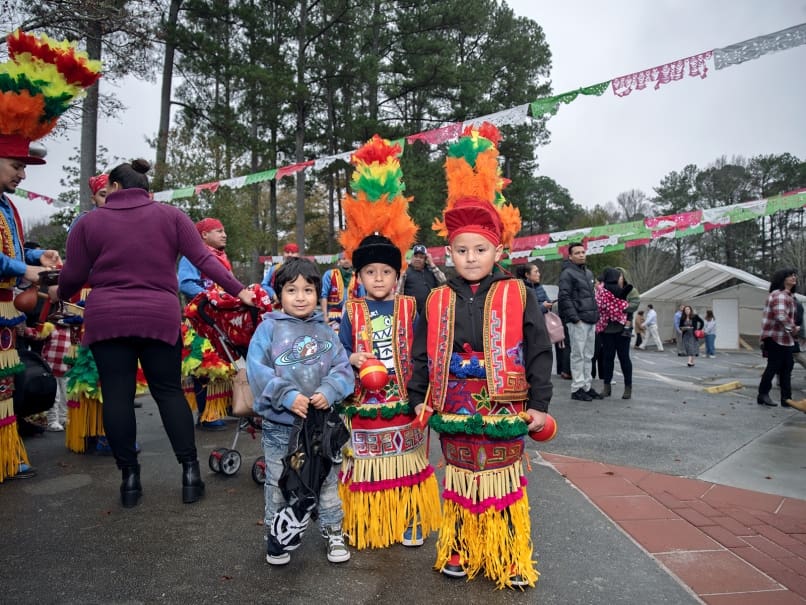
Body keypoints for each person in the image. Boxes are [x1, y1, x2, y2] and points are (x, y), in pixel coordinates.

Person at [57, 159, 254, 508]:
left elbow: (72, 277)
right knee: (168, 392)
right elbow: (206, 260)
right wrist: (239, 290)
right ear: (147, 190)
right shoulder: (171, 215)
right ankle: (190, 474)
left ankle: (129, 480)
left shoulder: (89, 222)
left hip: (107, 318)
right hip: (159, 316)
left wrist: (59, 294)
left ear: (114, 187)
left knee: (117, 396)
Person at [408, 123, 553, 589]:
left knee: (503, 481)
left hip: (506, 405)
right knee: (460, 478)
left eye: (480, 249)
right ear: (448, 252)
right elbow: (420, 353)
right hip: (452, 404)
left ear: (498, 250)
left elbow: (538, 349)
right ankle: (459, 547)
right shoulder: (436, 298)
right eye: (461, 250)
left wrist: (540, 406)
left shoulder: (517, 291)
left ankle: (509, 554)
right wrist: (417, 396)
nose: (470, 257)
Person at [334, 135, 440, 550]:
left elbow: (427, 350)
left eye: (386, 272)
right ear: (358, 278)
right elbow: (337, 350)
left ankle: (410, 518)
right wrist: (351, 356)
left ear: (398, 277)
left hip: (402, 402)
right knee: (364, 468)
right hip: (363, 404)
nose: (378, 279)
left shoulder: (412, 307)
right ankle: (364, 522)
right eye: (370, 273)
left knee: (406, 464)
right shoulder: (350, 311)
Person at [247, 258, 354, 566]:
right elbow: (258, 372)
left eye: (308, 290)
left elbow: (343, 370)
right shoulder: (268, 329)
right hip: (281, 426)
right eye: (292, 290)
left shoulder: (327, 333)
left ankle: (334, 531)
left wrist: (328, 391)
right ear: (279, 292)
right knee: (279, 481)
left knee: (327, 481)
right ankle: (278, 536)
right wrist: (288, 395)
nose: (300, 296)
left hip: (321, 426)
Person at [178, 217, 235, 430]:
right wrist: (211, 296)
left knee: (224, 364)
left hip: (221, 320)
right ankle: (206, 414)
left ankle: (224, 406)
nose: (224, 234)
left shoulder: (222, 257)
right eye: (218, 231)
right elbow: (185, 283)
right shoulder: (192, 257)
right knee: (204, 367)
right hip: (200, 320)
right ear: (204, 235)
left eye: (224, 230)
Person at [558, 242, 602, 401]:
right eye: (577, 253)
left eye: (583, 252)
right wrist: (575, 318)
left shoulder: (589, 274)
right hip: (578, 321)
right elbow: (564, 297)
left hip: (590, 320)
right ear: (570, 256)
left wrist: (596, 316)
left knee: (589, 355)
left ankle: (586, 386)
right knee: (578, 355)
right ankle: (577, 387)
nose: (581, 255)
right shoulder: (567, 274)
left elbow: (592, 297)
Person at [757, 269, 799, 408]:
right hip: (775, 337)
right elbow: (780, 316)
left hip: (784, 338)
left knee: (787, 367)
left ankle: (786, 399)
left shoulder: (788, 295)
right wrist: (794, 329)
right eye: (790, 275)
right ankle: (763, 394)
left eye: (794, 275)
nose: (794, 277)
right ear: (782, 278)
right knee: (774, 366)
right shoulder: (779, 295)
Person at [595, 268, 638, 399]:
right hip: (606, 328)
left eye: (621, 276)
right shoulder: (602, 291)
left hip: (623, 328)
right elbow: (598, 305)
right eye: (618, 277)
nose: (620, 279)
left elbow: (635, 304)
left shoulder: (630, 289)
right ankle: (606, 387)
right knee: (607, 358)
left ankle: (628, 387)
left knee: (624, 358)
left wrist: (619, 307)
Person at [396, 243, 447, 312]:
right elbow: (398, 292)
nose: (418, 259)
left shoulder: (431, 270)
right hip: (412, 311)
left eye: (421, 257)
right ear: (412, 257)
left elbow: (443, 280)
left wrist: (432, 264)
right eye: (416, 256)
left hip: (430, 310)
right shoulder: (406, 272)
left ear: (425, 259)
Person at [320, 252, 362, 332]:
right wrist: (325, 315)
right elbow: (323, 295)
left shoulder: (357, 277)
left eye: (349, 259)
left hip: (351, 316)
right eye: (343, 259)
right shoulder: (329, 274)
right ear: (339, 261)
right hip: (333, 316)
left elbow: (361, 298)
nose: (346, 261)